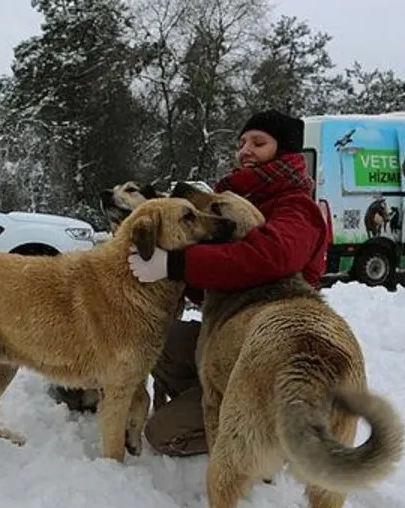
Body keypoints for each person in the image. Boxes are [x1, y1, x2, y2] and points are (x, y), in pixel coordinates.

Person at [126, 108, 332, 457]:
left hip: (265, 351)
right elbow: (219, 273)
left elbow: (269, 257)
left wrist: (176, 263)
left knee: (160, 435)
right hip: (224, 339)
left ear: (285, 152)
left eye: (259, 142)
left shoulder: (297, 208)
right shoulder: (240, 201)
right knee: (155, 339)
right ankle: (213, 396)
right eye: (242, 142)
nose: (245, 150)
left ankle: (264, 433)